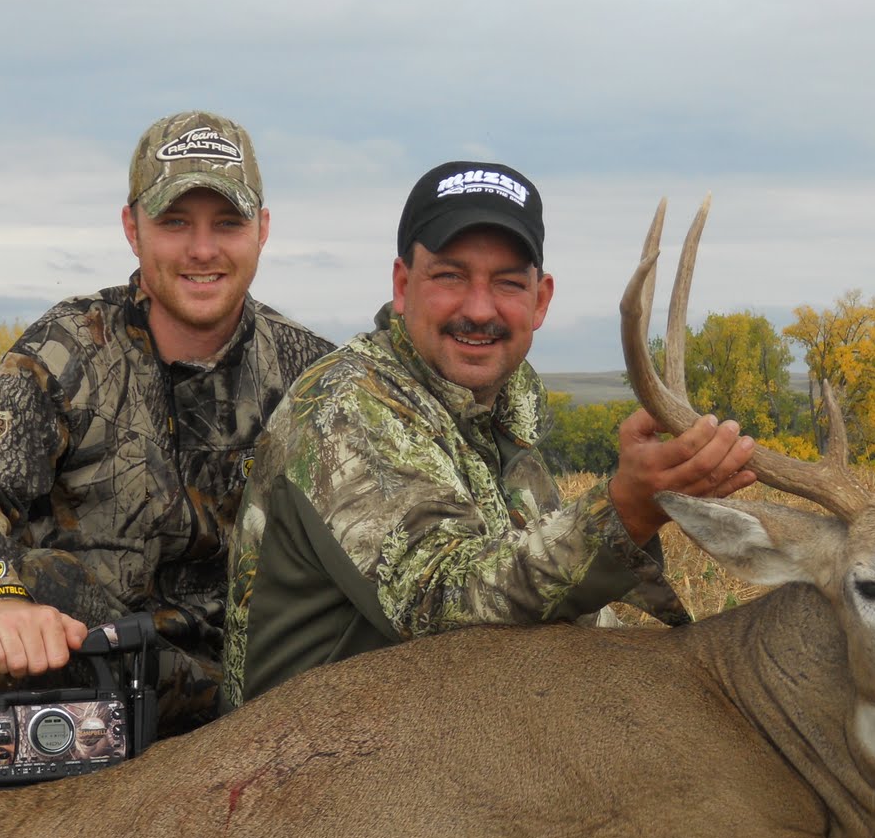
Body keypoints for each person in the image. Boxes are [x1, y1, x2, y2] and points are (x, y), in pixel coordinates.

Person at [223, 159, 756, 708]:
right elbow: (439, 601)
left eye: (506, 282)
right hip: (307, 765)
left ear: (541, 301)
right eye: (450, 276)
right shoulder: (343, 407)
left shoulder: (499, 418)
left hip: (446, 739)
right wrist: (623, 513)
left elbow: (556, 612)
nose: (479, 310)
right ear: (404, 286)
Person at [0, 110, 334, 735]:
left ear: (261, 230)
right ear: (133, 228)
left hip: (253, 693)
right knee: (43, 583)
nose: (202, 250)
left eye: (227, 224)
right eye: (175, 222)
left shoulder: (312, 375)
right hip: (84, 668)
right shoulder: (69, 349)